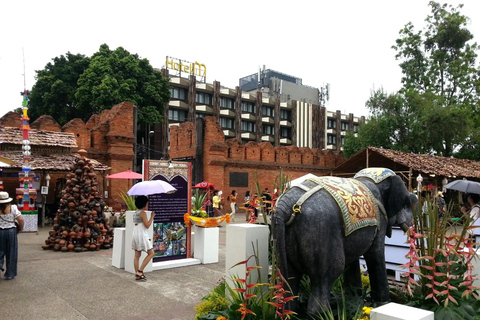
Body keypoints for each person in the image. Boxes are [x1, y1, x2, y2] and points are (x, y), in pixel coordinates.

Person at [0, 191, 24, 280]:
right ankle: (10, 273)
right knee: (11, 252)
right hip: (11, 231)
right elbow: (20, 219)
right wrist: (20, 229)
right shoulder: (13, 208)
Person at [132, 195, 155, 281]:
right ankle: (140, 271)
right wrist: (152, 217)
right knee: (151, 253)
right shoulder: (143, 213)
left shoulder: (136, 212)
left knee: (137, 255)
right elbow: (147, 225)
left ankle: (137, 273)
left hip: (135, 233)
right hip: (141, 234)